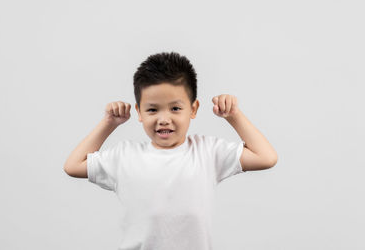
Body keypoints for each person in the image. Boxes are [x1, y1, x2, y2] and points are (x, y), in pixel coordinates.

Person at [63, 52, 278, 250]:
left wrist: (234, 115)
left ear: (193, 109)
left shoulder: (207, 151)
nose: (164, 119)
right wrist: (109, 123)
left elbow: (266, 157)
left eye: (175, 108)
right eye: (152, 109)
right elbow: (73, 166)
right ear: (139, 112)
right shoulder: (124, 156)